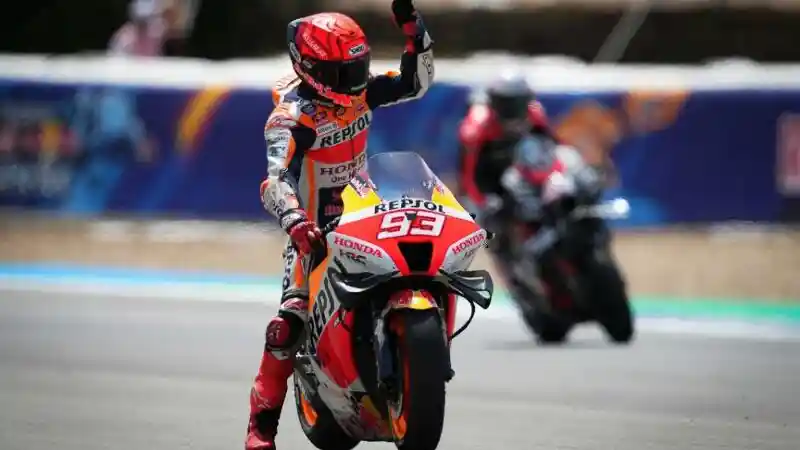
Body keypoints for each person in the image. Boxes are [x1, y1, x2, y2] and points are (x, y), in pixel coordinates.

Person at [247, 1, 434, 449]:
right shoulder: (292, 119)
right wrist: (294, 220)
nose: (355, 82)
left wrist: (415, 31)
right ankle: (260, 430)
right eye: (343, 73)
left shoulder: (362, 91)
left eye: (359, 69)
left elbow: (416, 83)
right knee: (287, 326)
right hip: (312, 232)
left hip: (363, 213)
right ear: (312, 71)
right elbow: (274, 180)